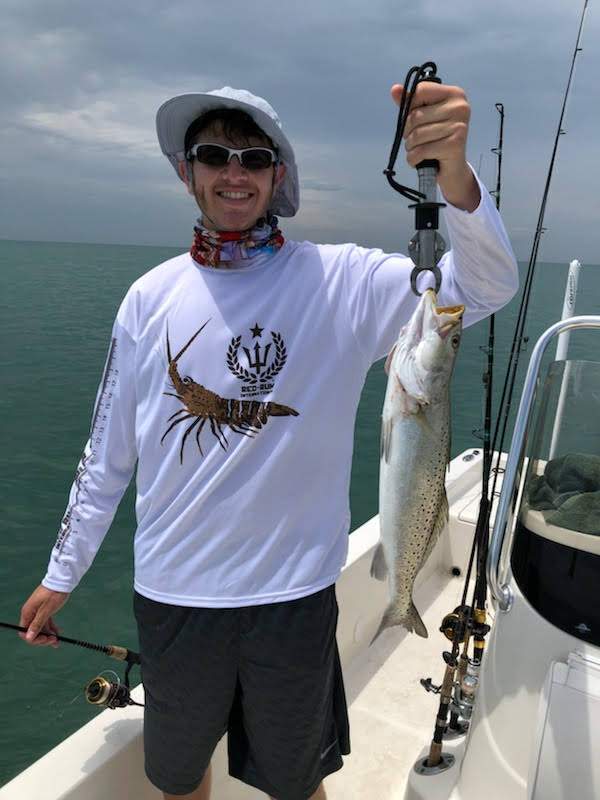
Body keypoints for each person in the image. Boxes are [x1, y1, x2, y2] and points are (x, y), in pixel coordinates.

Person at [19, 83, 519, 800]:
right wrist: (62, 572)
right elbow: (107, 454)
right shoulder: (147, 297)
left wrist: (456, 176)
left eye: (254, 157)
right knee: (179, 779)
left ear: (278, 176)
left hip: (294, 595)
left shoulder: (341, 282)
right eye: (214, 154)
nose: (234, 172)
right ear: (187, 170)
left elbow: (486, 287)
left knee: (298, 782)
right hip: (174, 594)